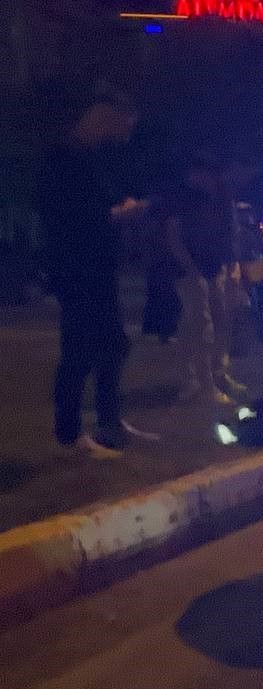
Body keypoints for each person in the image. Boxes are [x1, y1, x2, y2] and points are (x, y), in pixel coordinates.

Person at [33, 88, 140, 457]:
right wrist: (117, 213)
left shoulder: (91, 157)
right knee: (79, 347)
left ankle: (109, 421)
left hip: (97, 266)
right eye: (123, 125)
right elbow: (67, 216)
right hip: (77, 268)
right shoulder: (64, 159)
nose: (124, 135)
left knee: (112, 343)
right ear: (104, 115)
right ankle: (70, 432)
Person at [164, 158, 243, 404]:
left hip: (214, 265)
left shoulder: (220, 196)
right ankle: (200, 382)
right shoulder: (182, 199)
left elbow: (229, 231)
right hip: (189, 268)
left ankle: (216, 373)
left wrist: (231, 263)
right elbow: (173, 235)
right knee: (200, 324)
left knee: (219, 320)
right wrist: (189, 266)